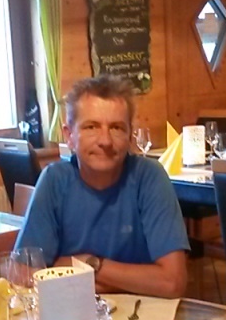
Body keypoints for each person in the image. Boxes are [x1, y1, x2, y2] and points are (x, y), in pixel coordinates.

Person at [15, 75, 189, 298]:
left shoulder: (149, 177)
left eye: (116, 128)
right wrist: (133, 281)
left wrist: (89, 264)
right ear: (69, 136)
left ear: (130, 135)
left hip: (143, 313)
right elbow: (22, 273)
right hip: (73, 311)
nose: (105, 141)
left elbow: (173, 283)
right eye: (91, 127)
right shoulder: (54, 181)